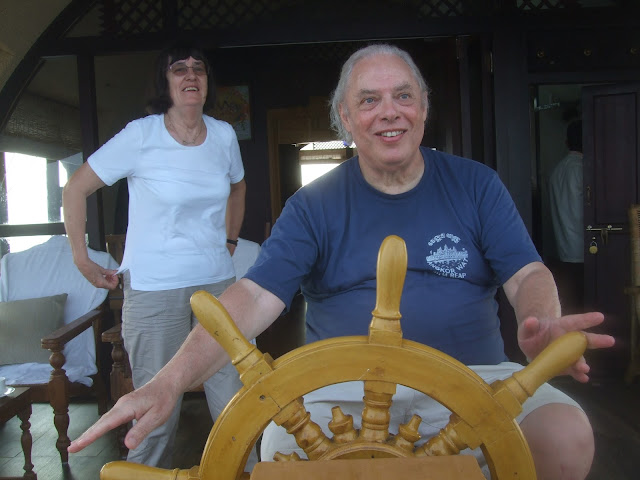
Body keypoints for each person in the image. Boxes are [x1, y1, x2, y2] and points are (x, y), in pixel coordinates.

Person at [68, 44, 614, 480]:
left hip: (473, 378)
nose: (389, 111)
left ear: (423, 108)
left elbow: (527, 273)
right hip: (340, 393)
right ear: (346, 119)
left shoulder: (477, 185)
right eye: (369, 100)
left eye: (403, 95)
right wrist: (169, 381)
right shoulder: (312, 206)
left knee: (566, 438)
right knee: (280, 455)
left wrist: (539, 320)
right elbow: (253, 297)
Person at [62, 45, 251, 469]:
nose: (190, 76)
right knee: (155, 413)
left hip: (217, 284)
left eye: (198, 69)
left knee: (237, 401)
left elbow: (238, 187)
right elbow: (75, 188)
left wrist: (230, 240)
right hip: (153, 290)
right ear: (164, 82)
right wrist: (81, 258)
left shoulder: (223, 135)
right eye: (179, 69)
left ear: (207, 82)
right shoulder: (141, 135)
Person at [548, 120, 584, 314]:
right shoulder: (584, 169)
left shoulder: (557, 170)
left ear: (566, 142)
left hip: (563, 247)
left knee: (571, 302)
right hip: (586, 247)